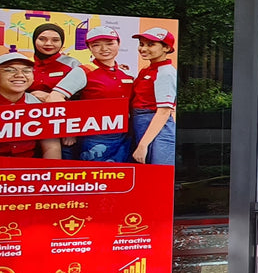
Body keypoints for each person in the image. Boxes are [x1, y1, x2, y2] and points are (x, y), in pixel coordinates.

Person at [28, 22, 86, 159]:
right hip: (31, 125)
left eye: (55, 40)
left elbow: (82, 98)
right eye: (42, 39)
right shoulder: (25, 65)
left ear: (62, 43)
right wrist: (32, 94)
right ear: (34, 39)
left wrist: (71, 130)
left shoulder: (73, 64)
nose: (48, 43)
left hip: (63, 128)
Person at [75, 26, 133, 162]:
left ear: (118, 44)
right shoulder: (83, 71)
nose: (104, 49)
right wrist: (68, 130)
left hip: (125, 134)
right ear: (89, 47)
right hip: (95, 135)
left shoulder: (127, 73)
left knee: (121, 176)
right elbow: (57, 96)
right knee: (95, 176)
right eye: (96, 45)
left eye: (109, 43)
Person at [130, 27, 177, 166]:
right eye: (141, 44)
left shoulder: (166, 72)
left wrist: (143, 146)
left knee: (158, 173)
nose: (143, 49)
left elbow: (163, 112)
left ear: (166, 48)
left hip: (155, 127)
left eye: (151, 44)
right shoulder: (147, 70)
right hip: (142, 123)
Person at [0, 52, 46, 160]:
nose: (20, 75)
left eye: (26, 71)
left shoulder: (38, 105)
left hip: (27, 170)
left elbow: (51, 147)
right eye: (10, 70)